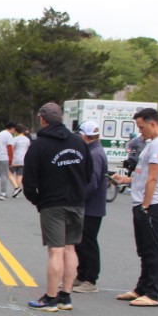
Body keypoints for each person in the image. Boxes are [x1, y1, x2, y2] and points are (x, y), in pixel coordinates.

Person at [22, 102, 93, 311]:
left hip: (53, 203)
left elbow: (29, 181)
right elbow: (88, 173)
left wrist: (38, 200)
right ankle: (65, 296)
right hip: (76, 202)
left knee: (55, 251)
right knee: (70, 248)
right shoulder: (79, 142)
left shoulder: (39, 145)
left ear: (43, 120)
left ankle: (50, 298)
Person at [108, 107, 158, 307]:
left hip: (151, 204)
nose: (140, 131)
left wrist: (146, 206)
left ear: (152, 123)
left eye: (142, 127)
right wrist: (126, 180)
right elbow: (143, 175)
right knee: (144, 249)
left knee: (153, 249)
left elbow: (153, 178)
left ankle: (152, 293)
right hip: (141, 202)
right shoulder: (150, 144)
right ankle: (142, 288)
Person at [73, 121, 108, 293]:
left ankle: (90, 279)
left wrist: (77, 198)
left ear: (85, 137)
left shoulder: (95, 154)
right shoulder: (93, 151)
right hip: (90, 206)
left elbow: (91, 183)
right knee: (80, 242)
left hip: (91, 207)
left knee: (88, 243)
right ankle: (81, 275)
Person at [0, 122, 17, 200]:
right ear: (12, 128)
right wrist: (11, 160)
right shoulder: (9, 135)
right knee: (4, 175)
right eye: (14, 130)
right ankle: (3, 193)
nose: (14, 131)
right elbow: (10, 149)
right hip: (3, 157)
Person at [9, 125, 31, 197]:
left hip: (15, 159)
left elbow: (11, 149)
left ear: (16, 131)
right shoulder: (27, 140)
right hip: (23, 159)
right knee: (20, 176)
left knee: (10, 174)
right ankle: (16, 192)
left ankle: (16, 188)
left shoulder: (15, 139)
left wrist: (9, 159)